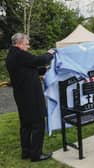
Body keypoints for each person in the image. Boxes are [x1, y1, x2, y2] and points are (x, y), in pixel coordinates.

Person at [6, 33, 55, 162]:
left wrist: (45, 69)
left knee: (26, 124)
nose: (28, 46)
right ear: (19, 43)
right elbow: (38, 60)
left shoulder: (11, 55)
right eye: (27, 43)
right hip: (31, 95)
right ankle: (36, 155)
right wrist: (49, 54)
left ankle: (26, 152)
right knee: (38, 123)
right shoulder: (19, 54)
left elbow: (29, 69)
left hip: (21, 95)